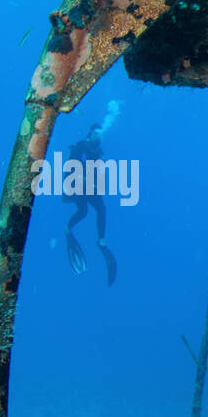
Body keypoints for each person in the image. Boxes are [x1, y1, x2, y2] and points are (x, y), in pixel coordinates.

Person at [63, 101, 120, 285]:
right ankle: (68, 230)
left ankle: (100, 241)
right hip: (76, 186)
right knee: (85, 211)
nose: (99, 138)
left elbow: (97, 173)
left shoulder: (96, 151)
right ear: (90, 134)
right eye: (96, 135)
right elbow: (73, 168)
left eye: (100, 135)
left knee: (98, 209)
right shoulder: (81, 147)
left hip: (87, 188)